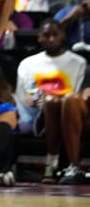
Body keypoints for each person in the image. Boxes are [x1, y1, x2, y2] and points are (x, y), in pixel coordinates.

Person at [13, 19, 86, 183]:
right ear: (39, 37)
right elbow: (22, 97)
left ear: (63, 36)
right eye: (46, 35)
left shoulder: (78, 62)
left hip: (67, 112)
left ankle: (52, 163)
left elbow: (77, 95)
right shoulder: (27, 63)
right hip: (36, 114)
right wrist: (37, 100)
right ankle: (56, 164)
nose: (51, 39)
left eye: (55, 34)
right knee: (51, 101)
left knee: (57, 101)